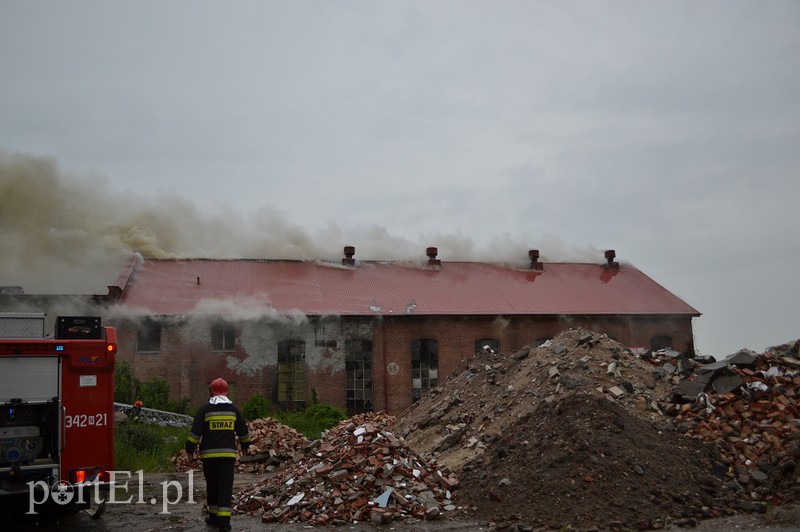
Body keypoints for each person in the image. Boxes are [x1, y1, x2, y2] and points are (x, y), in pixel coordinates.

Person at [185, 378, 250, 532]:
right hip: (227, 457)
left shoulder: (205, 410)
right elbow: (243, 431)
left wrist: (190, 448)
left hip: (209, 457)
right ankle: (224, 523)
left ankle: (213, 518)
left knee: (212, 486)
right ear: (227, 392)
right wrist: (245, 445)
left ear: (211, 392)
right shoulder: (233, 410)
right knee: (225, 487)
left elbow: (195, 432)